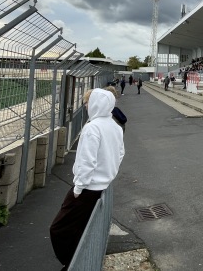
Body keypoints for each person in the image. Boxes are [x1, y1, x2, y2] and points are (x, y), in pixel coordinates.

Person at [50, 88, 125, 269]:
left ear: (95, 104)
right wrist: (109, 173)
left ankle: (71, 264)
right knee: (81, 226)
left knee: (59, 229)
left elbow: (86, 160)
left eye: (87, 103)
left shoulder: (92, 127)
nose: (85, 106)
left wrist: (78, 187)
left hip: (87, 188)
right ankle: (75, 261)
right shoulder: (114, 126)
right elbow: (120, 153)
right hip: (102, 185)